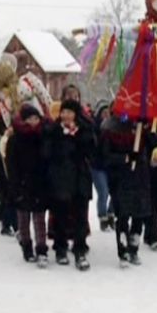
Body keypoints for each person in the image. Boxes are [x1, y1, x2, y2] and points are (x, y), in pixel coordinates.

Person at [42, 99, 95, 270]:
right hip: (60, 177)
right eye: (63, 112)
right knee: (60, 214)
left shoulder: (84, 130)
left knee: (81, 214)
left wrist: (80, 138)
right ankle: (60, 247)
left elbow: (92, 151)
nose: (66, 115)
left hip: (80, 177)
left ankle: (79, 247)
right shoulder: (53, 130)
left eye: (69, 112)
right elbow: (46, 152)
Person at [99, 116, 151, 267]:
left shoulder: (143, 129)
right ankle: (123, 250)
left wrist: (148, 135)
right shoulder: (111, 130)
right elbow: (105, 156)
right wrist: (126, 158)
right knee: (122, 216)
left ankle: (134, 248)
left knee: (139, 216)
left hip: (140, 178)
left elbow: (153, 148)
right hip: (120, 180)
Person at [6, 105, 49, 267]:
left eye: (36, 118)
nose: (34, 122)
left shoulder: (43, 135)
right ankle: (26, 246)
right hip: (22, 183)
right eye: (30, 118)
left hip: (40, 182)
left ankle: (42, 249)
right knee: (23, 219)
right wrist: (14, 185)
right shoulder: (15, 139)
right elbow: (11, 164)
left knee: (39, 218)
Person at [90, 100, 115, 232]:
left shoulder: (114, 128)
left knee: (115, 192)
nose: (106, 115)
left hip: (111, 165)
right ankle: (102, 216)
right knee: (103, 192)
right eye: (103, 113)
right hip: (97, 166)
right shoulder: (95, 129)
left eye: (108, 113)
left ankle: (111, 213)